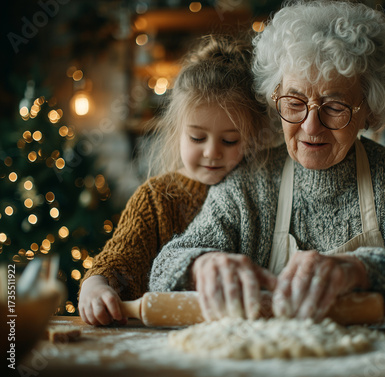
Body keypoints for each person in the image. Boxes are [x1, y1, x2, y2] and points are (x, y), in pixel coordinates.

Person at [149, 1, 385, 321]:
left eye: (335, 106)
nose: (311, 127)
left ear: (368, 109)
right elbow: (164, 269)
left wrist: (360, 270)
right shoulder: (250, 181)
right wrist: (200, 265)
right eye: (295, 102)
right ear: (276, 97)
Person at [78, 34, 274, 326]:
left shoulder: (257, 191)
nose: (212, 152)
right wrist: (95, 288)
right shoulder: (156, 197)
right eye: (197, 137)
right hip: (167, 339)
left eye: (230, 140)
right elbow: (119, 259)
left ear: (250, 138)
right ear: (176, 130)